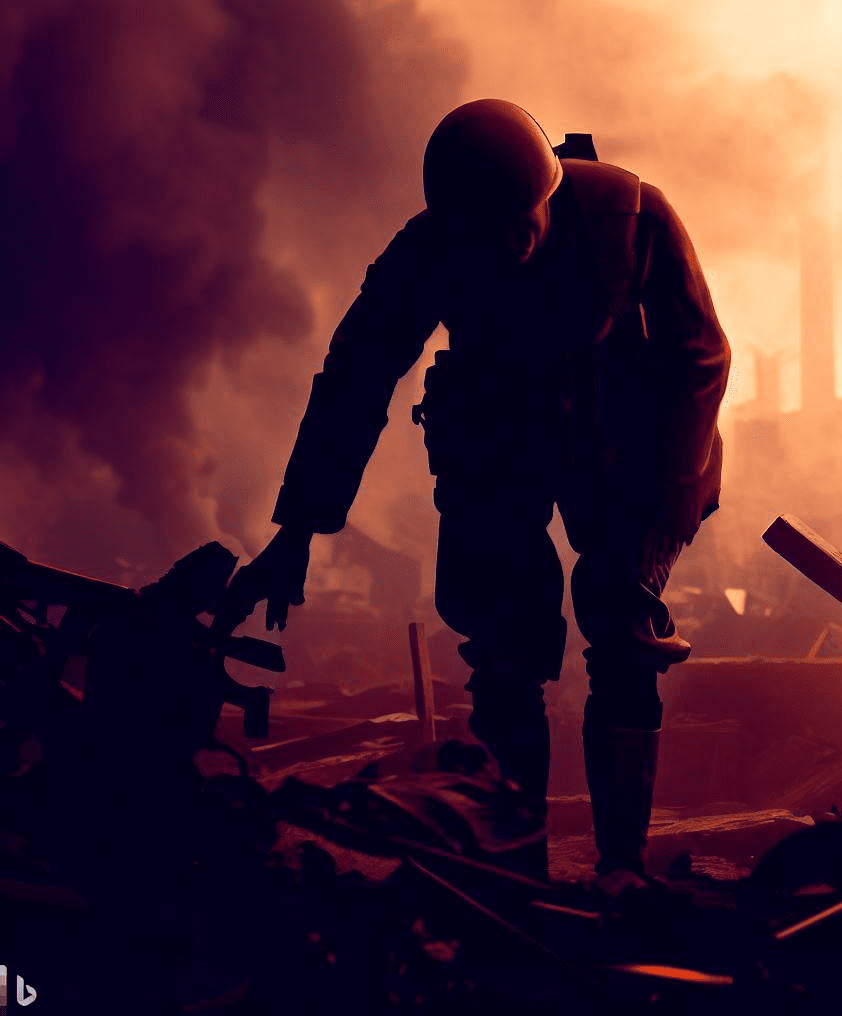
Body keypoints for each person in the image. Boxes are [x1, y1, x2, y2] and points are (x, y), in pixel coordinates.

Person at [219, 99, 731, 891]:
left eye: (519, 224)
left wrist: (669, 499)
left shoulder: (627, 212)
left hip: (629, 449)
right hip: (501, 445)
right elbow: (355, 377)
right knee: (505, 651)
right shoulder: (429, 251)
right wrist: (298, 530)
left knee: (621, 626)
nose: (507, 247)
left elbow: (701, 354)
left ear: (549, 193)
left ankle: (621, 867)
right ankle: (512, 867)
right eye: (484, 234)